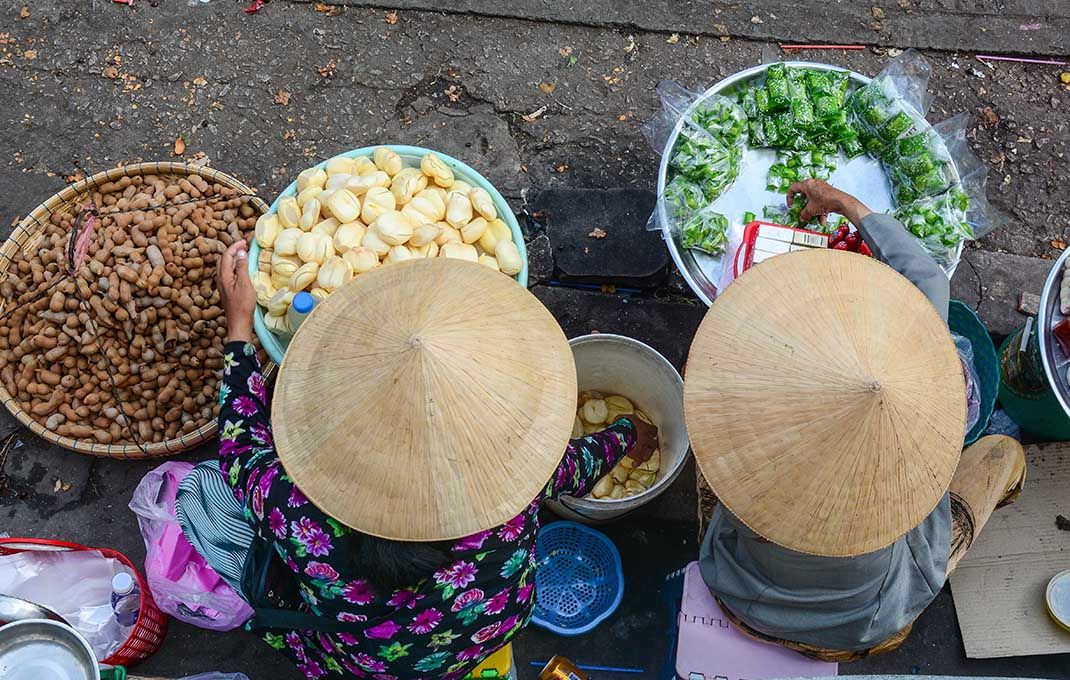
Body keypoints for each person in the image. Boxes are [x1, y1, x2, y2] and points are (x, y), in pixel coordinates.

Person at [176, 244, 659, 680]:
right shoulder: (518, 480)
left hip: (367, 666)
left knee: (200, 490)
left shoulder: (293, 510)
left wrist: (239, 327)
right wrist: (629, 432)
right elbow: (589, 459)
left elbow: (239, 443)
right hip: (494, 626)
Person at [691, 179, 1026, 661]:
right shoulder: (925, 429)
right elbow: (927, 278)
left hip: (740, 591)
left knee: (706, 447)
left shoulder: (747, 429)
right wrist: (846, 203)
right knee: (1003, 452)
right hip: (866, 620)